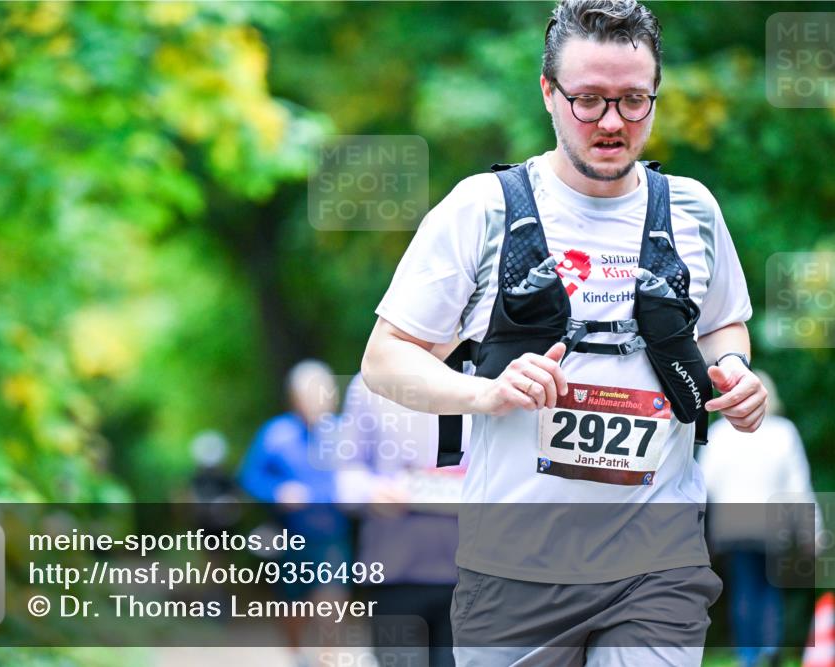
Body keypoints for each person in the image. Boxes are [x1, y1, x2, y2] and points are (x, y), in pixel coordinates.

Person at [360, 1, 768, 665]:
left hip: (656, 563)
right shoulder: (481, 209)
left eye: (634, 100)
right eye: (589, 100)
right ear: (549, 93)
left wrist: (736, 373)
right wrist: (485, 394)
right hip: (514, 569)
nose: (612, 122)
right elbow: (384, 359)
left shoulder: (693, 210)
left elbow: (726, 326)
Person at [332, 373, 466, 667]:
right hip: (394, 571)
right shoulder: (370, 383)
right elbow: (345, 477)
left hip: (471, 579)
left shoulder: (488, 371)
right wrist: (372, 491)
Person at [699, 371, 820, 667]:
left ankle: (748, 655)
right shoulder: (783, 432)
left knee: (743, 587)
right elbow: (797, 486)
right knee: (769, 588)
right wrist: (813, 532)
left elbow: (705, 483)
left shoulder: (719, 434)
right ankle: (769, 648)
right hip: (770, 523)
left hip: (732, 523)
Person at [238, 360, 352, 667]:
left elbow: (361, 477)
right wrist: (277, 492)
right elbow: (249, 478)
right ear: (294, 397)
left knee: (332, 599)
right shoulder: (275, 434)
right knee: (293, 603)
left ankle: (330, 658)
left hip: (331, 532)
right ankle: (295, 655)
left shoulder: (344, 434)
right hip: (289, 535)